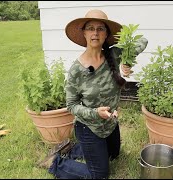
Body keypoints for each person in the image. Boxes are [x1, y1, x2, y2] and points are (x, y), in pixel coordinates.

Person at [43, 9, 148, 179]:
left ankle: (75, 148)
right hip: (88, 126)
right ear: (84, 33)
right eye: (90, 28)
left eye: (100, 29)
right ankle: (55, 163)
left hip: (110, 123)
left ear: (106, 34)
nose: (95, 33)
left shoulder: (114, 55)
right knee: (100, 175)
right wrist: (94, 113)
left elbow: (143, 40)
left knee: (114, 155)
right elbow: (71, 105)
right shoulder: (76, 70)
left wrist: (127, 62)